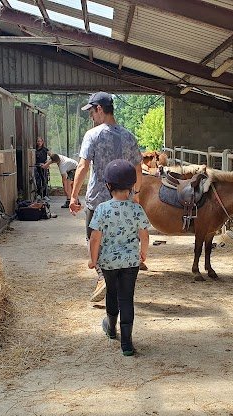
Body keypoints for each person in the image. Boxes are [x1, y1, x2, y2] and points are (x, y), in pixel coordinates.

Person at [69, 92, 144, 301]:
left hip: (98, 199)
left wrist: (74, 196)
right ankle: (119, 280)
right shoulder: (129, 136)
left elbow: (83, 166)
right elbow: (138, 168)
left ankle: (103, 277)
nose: (91, 117)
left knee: (93, 238)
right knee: (122, 238)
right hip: (124, 199)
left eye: (91, 112)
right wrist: (135, 195)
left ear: (99, 109)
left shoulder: (92, 135)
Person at [88, 159, 149, 356]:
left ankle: (111, 328)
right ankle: (127, 344)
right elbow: (144, 234)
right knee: (127, 298)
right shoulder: (136, 208)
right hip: (131, 262)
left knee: (112, 293)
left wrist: (93, 259)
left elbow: (95, 238)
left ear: (108, 185)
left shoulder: (102, 209)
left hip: (108, 262)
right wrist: (144, 253)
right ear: (132, 186)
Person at [33, 137, 50, 201]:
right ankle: (39, 194)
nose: (39, 143)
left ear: (42, 142)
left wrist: (47, 163)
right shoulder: (35, 150)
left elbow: (52, 156)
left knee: (44, 180)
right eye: (38, 141)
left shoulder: (45, 149)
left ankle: (45, 195)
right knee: (38, 181)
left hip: (43, 167)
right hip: (37, 166)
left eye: (40, 141)